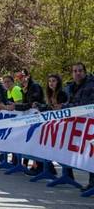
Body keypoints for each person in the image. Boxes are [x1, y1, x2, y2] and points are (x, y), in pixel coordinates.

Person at [60, 63, 94, 193]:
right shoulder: (72, 86)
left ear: (85, 72)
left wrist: (65, 107)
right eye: (75, 71)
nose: (77, 73)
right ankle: (91, 183)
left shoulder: (90, 84)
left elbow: (84, 105)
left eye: (80, 70)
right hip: (81, 125)